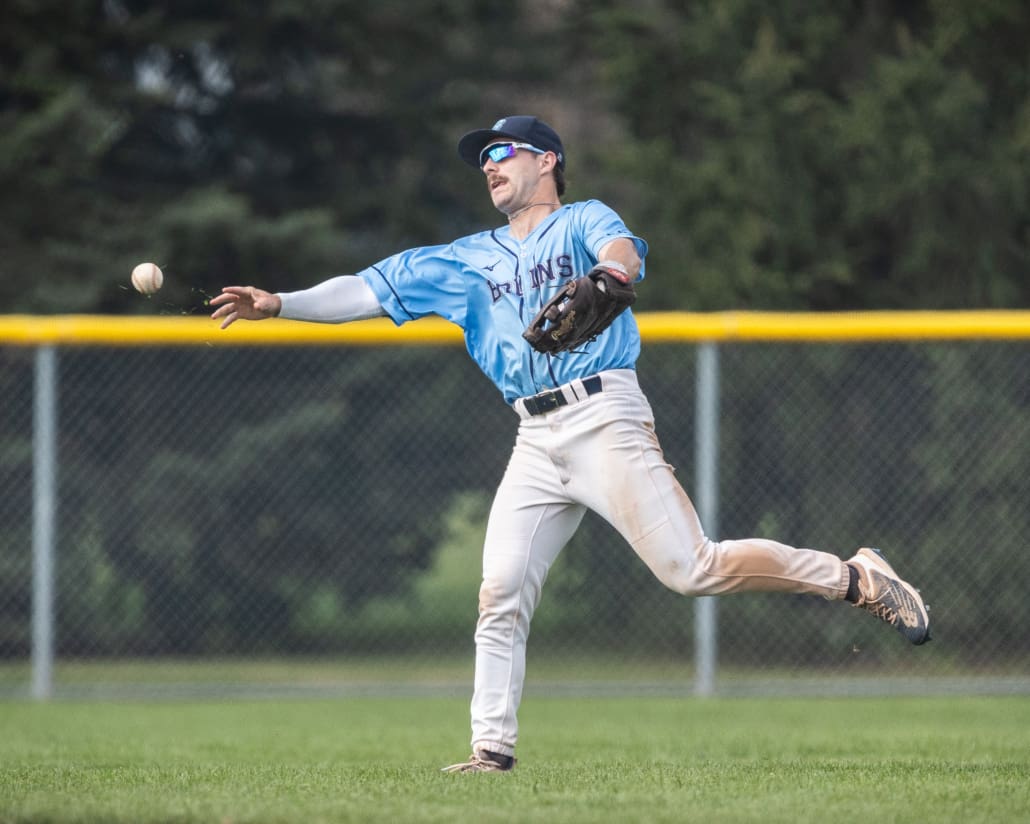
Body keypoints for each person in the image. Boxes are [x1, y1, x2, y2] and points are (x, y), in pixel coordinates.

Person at [210, 115, 931, 774]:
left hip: (603, 417)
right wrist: (280, 304)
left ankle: (853, 577)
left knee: (692, 569)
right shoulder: (463, 261)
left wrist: (610, 276)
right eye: (481, 160)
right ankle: (490, 750)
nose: (488, 166)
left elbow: (623, 253)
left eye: (501, 153)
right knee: (498, 593)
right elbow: (365, 290)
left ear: (547, 159)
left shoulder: (582, 220)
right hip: (534, 435)